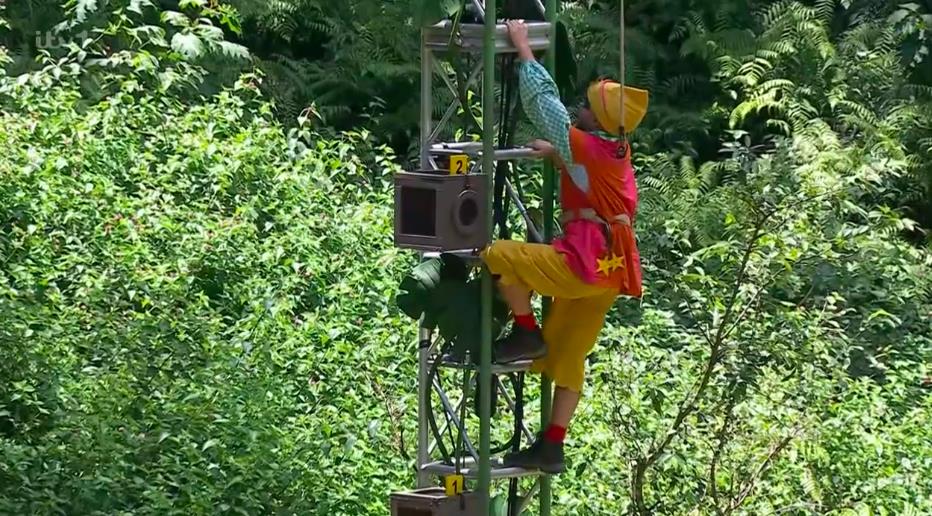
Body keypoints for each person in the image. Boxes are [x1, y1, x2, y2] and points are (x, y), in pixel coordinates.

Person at [480, 20, 649, 474]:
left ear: (598, 119)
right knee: (570, 358)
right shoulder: (615, 151)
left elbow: (544, 107)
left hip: (584, 261)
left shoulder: (585, 144)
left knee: (497, 253)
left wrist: (523, 51)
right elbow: (585, 172)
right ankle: (552, 445)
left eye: (590, 109)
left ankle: (525, 329)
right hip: (611, 274)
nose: (584, 111)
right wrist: (557, 154)